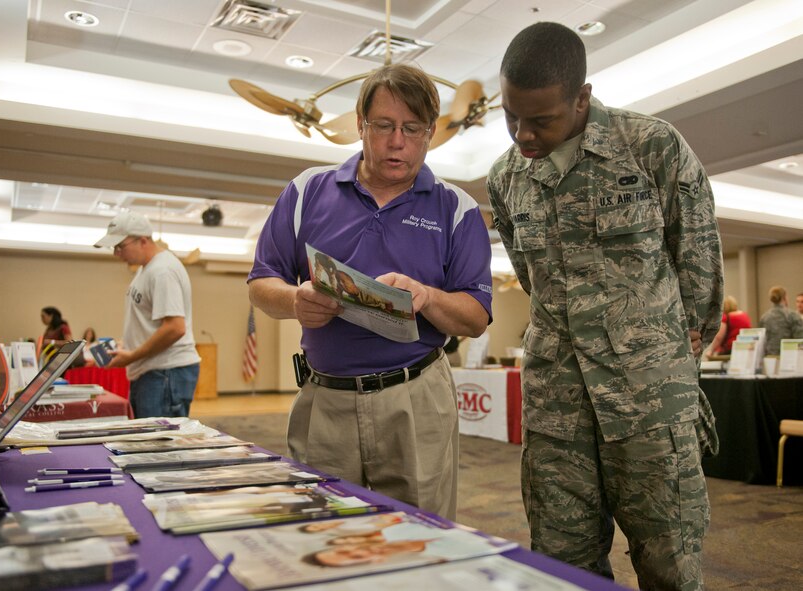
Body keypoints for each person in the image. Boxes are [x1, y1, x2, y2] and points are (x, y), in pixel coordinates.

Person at [487, 22, 723, 590]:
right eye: (510, 115)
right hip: (557, 404)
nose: (523, 135)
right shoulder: (505, 177)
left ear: (582, 98)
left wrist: (673, 347)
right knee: (562, 564)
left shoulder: (651, 147)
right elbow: (530, 276)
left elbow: (698, 260)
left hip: (647, 398)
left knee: (669, 559)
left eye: (540, 120)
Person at [247, 63, 493, 520]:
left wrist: (427, 296)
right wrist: (295, 301)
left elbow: (476, 316)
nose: (397, 141)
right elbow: (261, 284)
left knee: (420, 538)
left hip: (415, 398)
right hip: (326, 400)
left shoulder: (457, 207)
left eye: (412, 129)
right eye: (383, 126)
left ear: (430, 132)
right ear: (360, 124)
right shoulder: (306, 191)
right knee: (322, 533)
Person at [94, 211, 200, 418]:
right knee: (148, 442)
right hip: (155, 372)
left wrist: (133, 355)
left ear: (142, 240)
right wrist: (127, 344)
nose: (117, 253)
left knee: (159, 446)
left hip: (164, 373)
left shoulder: (162, 271)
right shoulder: (147, 269)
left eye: (120, 246)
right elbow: (150, 322)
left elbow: (175, 328)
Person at [758, 285, 803, 356]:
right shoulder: (792, 315)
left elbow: (762, 342)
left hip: (769, 359)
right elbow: (800, 339)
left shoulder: (764, 317)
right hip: (789, 358)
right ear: (784, 298)